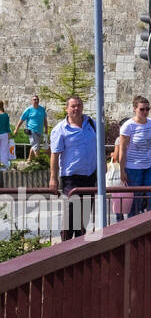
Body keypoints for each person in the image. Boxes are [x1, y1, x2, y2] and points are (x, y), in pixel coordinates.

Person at [48, 97, 97, 241]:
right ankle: (66, 248)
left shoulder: (92, 124)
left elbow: (98, 146)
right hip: (71, 178)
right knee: (70, 216)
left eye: (79, 106)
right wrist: (53, 178)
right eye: (73, 106)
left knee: (84, 217)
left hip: (90, 176)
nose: (76, 109)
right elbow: (54, 155)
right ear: (67, 109)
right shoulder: (60, 129)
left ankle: (80, 248)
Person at [116, 95, 151, 216]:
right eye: (142, 109)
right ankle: (134, 226)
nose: (145, 112)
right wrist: (122, 170)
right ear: (135, 109)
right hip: (133, 167)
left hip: (149, 165)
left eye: (147, 109)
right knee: (136, 199)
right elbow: (123, 149)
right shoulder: (128, 126)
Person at [21, 95, 48, 165]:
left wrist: (46, 128)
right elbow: (22, 119)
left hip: (40, 130)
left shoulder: (42, 109)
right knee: (36, 146)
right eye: (34, 99)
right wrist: (16, 129)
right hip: (31, 130)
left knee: (34, 145)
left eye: (37, 99)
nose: (36, 101)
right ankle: (39, 162)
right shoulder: (28, 109)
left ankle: (29, 159)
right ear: (32, 101)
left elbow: (45, 119)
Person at [0, 101, 11, 170]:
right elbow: (8, 127)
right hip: (4, 134)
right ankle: (3, 167)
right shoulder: (6, 115)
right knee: (4, 151)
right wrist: (9, 136)